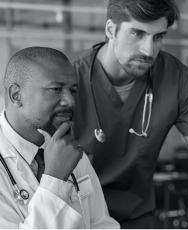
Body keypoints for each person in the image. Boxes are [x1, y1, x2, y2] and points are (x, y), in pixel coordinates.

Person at [69, 0, 188, 228]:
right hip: (76, 219)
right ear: (111, 29)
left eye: (158, 37)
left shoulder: (176, 80)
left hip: (135, 220)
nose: (148, 50)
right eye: (137, 34)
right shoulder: (67, 78)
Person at [0, 47, 120, 229]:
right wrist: (54, 179)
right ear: (16, 95)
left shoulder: (71, 152)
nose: (70, 101)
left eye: (72, 90)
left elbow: (102, 225)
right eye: (56, 89)